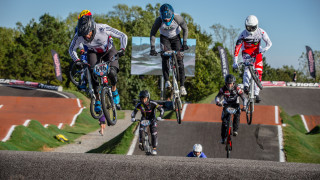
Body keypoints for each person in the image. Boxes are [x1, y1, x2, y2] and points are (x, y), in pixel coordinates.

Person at [69, 10, 127, 113]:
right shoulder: (79, 35)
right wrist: (77, 60)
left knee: (112, 72)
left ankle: (114, 89)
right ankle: (98, 100)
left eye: (88, 33)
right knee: (93, 73)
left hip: (109, 50)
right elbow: (71, 49)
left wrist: (122, 49)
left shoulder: (103, 28)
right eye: (83, 35)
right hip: (93, 53)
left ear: (92, 28)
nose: (86, 36)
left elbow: (123, 36)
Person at [150, 3, 189, 96]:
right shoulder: (159, 20)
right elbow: (152, 33)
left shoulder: (177, 18)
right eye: (165, 19)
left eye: (168, 18)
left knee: (180, 61)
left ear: (172, 15)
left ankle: (182, 86)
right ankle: (167, 80)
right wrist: (152, 48)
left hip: (176, 37)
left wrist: (185, 43)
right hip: (165, 38)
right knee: (164, 57)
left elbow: (185, 29)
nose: (167, 20)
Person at [232, 15, 272, 103]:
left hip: (257, 53)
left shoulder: (261, 32)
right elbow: (237, 48)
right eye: (248, 27)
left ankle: (256, 93)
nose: (250, 30)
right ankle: (246, 86)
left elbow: (269, 43)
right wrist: (235, 61)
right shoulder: (242, 34)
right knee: (247, 69)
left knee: (259, 71)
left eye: (252, 27)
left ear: (256, 25)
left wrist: (263, 50)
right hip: (247, 53)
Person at [215, 74, 247, 144]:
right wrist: (217, 102)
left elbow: (244, 98)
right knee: (224, 121)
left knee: (237, 114)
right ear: (225, 83)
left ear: (233, 83)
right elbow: (218, 96)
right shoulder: (223, 89)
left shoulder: (237, 89)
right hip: (226, 104)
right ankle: (223, 138)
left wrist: (244, 106)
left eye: (231, 83)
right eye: (228, 83)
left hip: (235, 104)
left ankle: (235, 130)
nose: (229, 85)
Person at [131, 90, 164, 155]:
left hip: (152, 119)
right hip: (144, 119)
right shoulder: (139, 104)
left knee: (153, 132)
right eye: (141, 98)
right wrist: (133, 117)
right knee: (141, 130)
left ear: (148, 98)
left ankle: (154, 149)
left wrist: (160, 116)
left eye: (144, 98)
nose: (143, 100)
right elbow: (134, 112)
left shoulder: (153, 103)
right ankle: (141, 142)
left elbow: (161, 110)